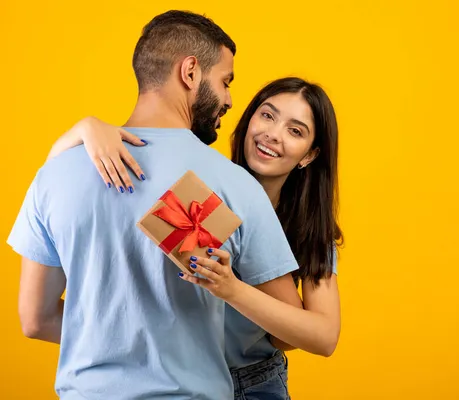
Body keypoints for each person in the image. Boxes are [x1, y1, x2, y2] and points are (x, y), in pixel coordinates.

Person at [7, 10, 304, 400]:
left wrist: (115, 343)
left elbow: (35, 319)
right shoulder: (234, 184)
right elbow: (288, 333)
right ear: (191, 72)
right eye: (225, 81)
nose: (230, 99)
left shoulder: (55, 173)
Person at [48, 77, 343, 400]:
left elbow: (322, 337)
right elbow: (56, 177)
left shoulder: (311, 231)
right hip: (176, 380)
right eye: (268, 115)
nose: (273, 134)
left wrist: (232, 290)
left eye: (295, 130)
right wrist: (85, 129)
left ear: (309, 155)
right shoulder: (199, 189)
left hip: (254, 384)